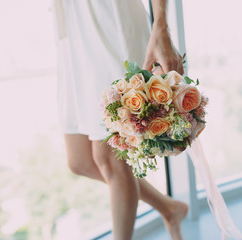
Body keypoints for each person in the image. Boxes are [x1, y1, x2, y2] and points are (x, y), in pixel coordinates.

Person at [52, 0, 188, 239]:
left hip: (108, 25)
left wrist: (161, 26)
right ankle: (169, 208)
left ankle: (167, 211)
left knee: (110, 160)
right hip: (72, 33)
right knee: (80, 161)